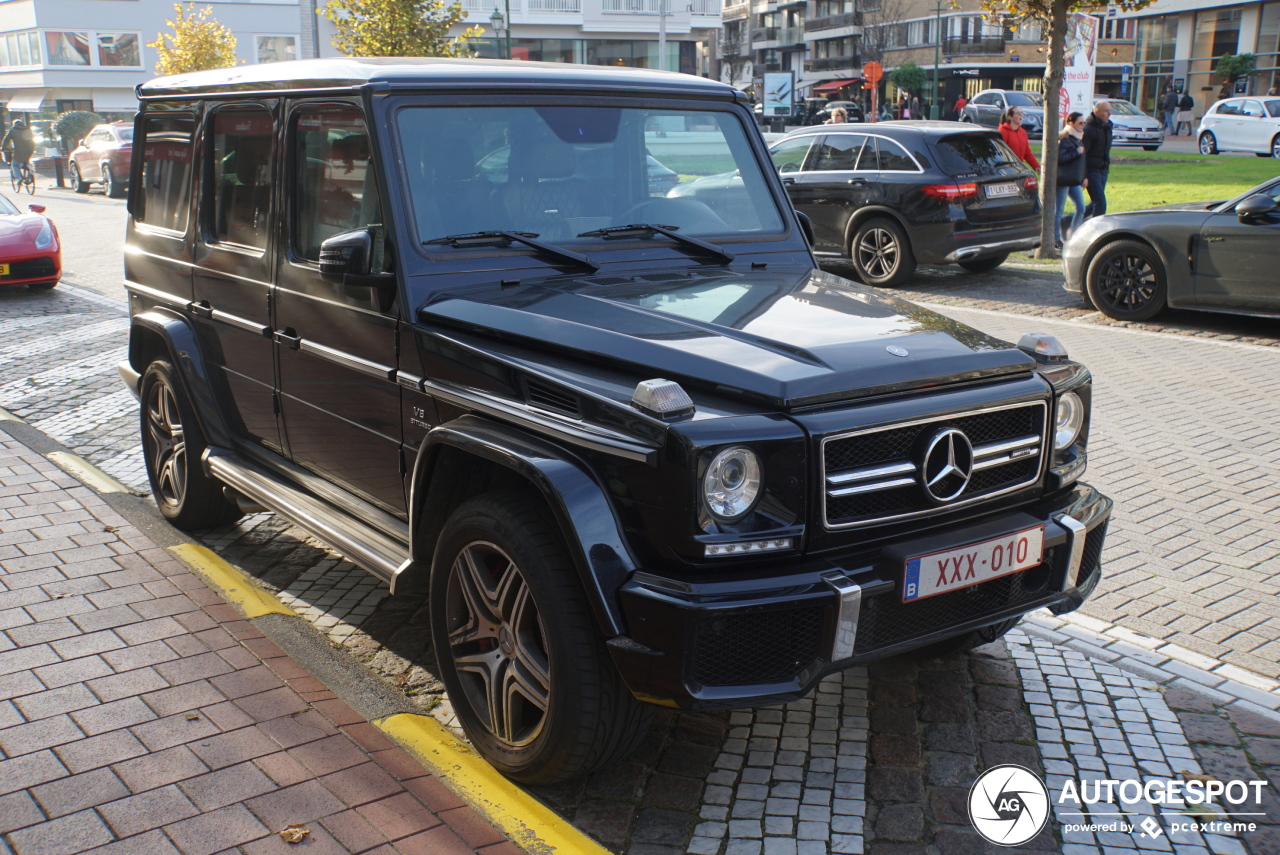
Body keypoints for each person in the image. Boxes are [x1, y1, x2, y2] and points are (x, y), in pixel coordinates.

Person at [1054, 112, 1088, 250]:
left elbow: (1082, 161)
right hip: (1063, 179)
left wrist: (1084, 177)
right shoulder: (1066, 138)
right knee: (1059, 210)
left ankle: (1073, 235)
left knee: (1081, 207)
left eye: (1084, 123)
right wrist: (1076, 152)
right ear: (1071, 123)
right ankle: (1056, 239)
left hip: (1073, 179)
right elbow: (1060, 158)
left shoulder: (1079, 138)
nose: (1083, 126)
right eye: (1080, 123)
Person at [1082, 100, 1113, 219]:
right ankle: (1097, 229)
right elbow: (1083, 154)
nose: (1109, 113)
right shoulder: (1089, 129)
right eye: (1106, 111)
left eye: (1110, 110)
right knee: (1100, 202)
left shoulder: (1108, 127)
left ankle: (1066, 222)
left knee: (1095, 203)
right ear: (1097, 112)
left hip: (1103, 169)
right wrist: (1084, 175)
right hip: (1092, 170)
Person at [998, 106, 1040, 171]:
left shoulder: (1022, 132)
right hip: (1007, 168)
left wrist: (1036, 166)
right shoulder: (1003, 131)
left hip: (1019, 167)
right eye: (1018, 113)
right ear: (1010, 117)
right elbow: (1000, 152)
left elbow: (1027, 152)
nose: (1021, 115)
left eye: (1021, 113)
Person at [1, 120, 35, 184]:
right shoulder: (27, 130)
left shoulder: (13, 131)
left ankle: (19, 178)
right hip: (30, 149)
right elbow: (32, 139)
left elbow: (6, 140)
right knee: (26, 161)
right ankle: (30, 174)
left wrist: (3, 148)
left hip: (19, 150)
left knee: (15, 164)